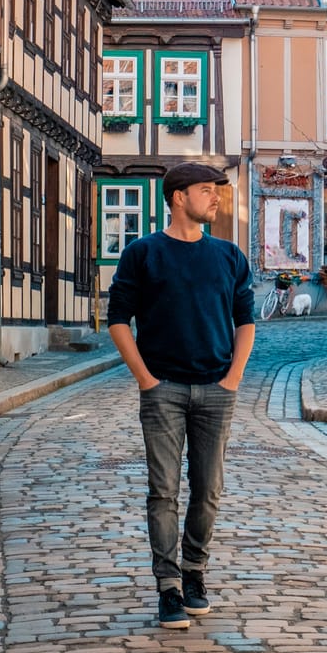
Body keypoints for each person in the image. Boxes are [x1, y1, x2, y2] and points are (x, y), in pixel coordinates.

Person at [107, 162, 255, 629]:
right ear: (178, 197)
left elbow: (245, 323)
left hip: (216, 390)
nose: (215, 199)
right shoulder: (143, 253)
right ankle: (168, 587)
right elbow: (117, 319)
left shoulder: (229, 256)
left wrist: (232, 380)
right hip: (163, 391)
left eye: (216, 191)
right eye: (207, 191)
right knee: (163, 491)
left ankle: (195, 572)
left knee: (208, 491)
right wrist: (146, 380)